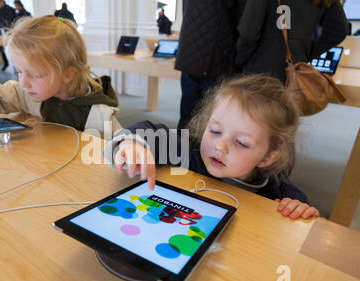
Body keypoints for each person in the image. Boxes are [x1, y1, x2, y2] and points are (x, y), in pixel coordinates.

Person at [104, 74, 319, 220]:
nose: (220, 146)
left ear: (267, 158)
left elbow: (295, 200)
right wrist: (132, 144)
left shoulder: (272, 185)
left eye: (241, 143)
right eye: (215, 131)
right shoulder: (188, 151)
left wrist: (298, 206)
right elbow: (145, 130)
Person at [0, 16, 121, 136]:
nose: (23, 82)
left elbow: (124, 143)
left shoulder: (100, 114)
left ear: (67, 75)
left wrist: (128, 145)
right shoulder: (31, 94)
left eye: (35, 75)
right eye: (19, 71)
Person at [236, 0, 348, 84]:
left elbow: (249, 32)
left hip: (260, 72)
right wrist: (304, 53)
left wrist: (238, 61)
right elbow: (339, 29)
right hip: (294, 72)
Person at [175, 0, 246, 130]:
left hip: (189, 57)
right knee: (212, 122)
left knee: (187, 117)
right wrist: (239, 62)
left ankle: (181, 149)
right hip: (216, 62)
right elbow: (244, 26)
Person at [0, 0, 17, 71]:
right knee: (1, 47)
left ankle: (15, 64)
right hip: (0, 29)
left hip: (9, 29)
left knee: (12, 47)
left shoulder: (10, 8)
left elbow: (14, 20)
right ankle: (5, 63)